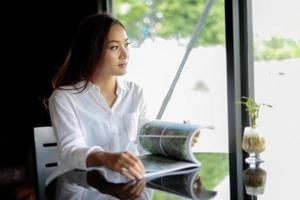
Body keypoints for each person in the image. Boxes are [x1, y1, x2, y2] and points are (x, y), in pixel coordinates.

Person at [46, 13, 199, 184]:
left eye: (126, 45)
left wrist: (178, 139)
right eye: (114, 47)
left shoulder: (136, 93)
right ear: (92, 50)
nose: (125, 54)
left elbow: (145, 140)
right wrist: (105, 158)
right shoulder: (64, 98)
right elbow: (70, 150)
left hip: (129, 183)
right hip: (79, 186)